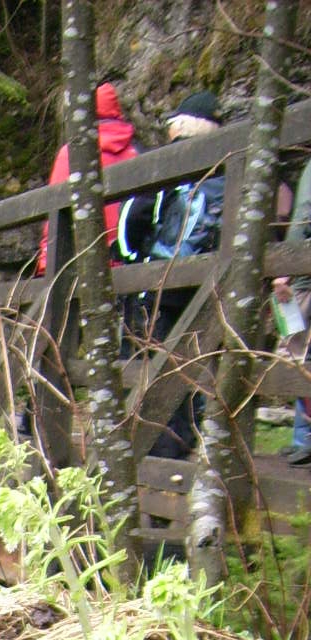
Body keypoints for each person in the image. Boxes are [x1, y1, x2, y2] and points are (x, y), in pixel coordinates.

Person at [117, 90, 226, 459]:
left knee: (153, 364)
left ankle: (157, 448)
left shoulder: (167, 165)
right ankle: (188, 440)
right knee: (193, 363)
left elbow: (132, 218)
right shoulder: (228, 167)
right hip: (208, 286)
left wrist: (131, 259)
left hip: (160, 283)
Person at [36, 82, 139, 276]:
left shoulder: (72, 154)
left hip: (81, 264)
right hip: (127, 263)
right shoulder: (135, 152)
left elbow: (55, 216)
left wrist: (45, 262)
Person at [272, 156, 311, 466]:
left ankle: (305, 437)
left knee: (300, 357)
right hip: (302, 275)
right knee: (299, 356)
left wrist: (285, 269)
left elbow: (304, 216)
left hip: (303, 275)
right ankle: (302, 436)